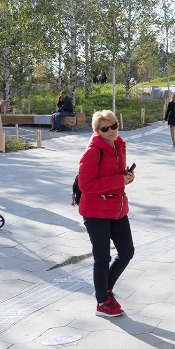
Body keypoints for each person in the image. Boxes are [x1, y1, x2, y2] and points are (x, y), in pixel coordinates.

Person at [77, 110, 135, 318]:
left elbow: (116, 177)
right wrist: (120, 180)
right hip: (95, 211)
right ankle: (102, 302)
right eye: (105, 128)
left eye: (114, 126)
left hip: (118, 209)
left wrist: (127, 177)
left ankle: (104, 289)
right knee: (102, 258)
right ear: (97, 131)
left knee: (127, 252)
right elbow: (86, 184)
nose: (111, 131)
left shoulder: (119, 146)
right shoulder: (93, 152)